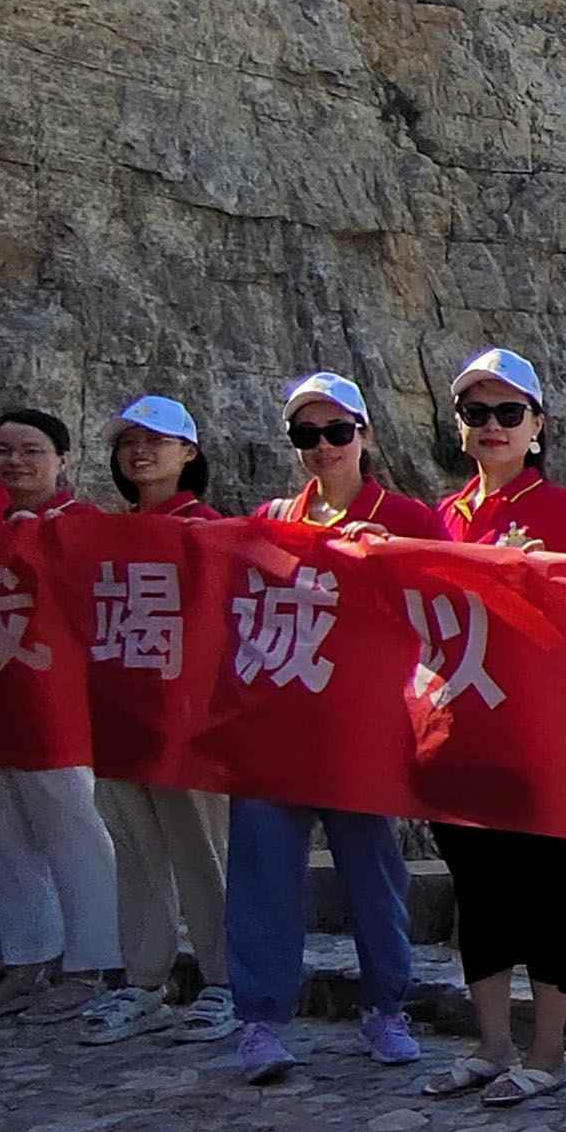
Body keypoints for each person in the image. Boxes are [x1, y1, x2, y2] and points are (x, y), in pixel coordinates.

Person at [219, 373, 435, 1086]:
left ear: (364, 435)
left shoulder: (404, 515)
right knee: (262, 873)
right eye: (306, 434)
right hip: (276, 727)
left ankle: (385, 1006)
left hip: (361, 728)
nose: (323, 446)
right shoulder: (275, 518)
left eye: (337, 431)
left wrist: (392, 559)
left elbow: (450, 596)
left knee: (373, 873)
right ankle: (261, 1019)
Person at [422, 350, 566, 1109]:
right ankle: (491, 1044)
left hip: (535, 733)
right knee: (479, 891)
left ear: (536, 426)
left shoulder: (560, 510)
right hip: (458, 728)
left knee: (545, 887)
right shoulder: (443, 515)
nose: (491, 426)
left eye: (507, 412)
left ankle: (549, 1051)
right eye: (476, 413)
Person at [0, 409, 126, 1028]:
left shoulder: (84, 525)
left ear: (61, 460)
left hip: (58, 705)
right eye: (4, 450)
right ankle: (27, 961)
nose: (16, 462)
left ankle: (90, 965)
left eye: (31, 450)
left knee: (75, 833)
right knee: (6, 837)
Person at [81, 394, 240, 1044]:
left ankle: (225, 981)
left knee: (202, 854)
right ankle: (144, 982)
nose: (139, 451)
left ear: (188, 452)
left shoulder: (207, 529)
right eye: (128, 442)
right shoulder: (105, 533)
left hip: (187, 726)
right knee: (136, 854)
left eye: (155, 440)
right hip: (118, 720)